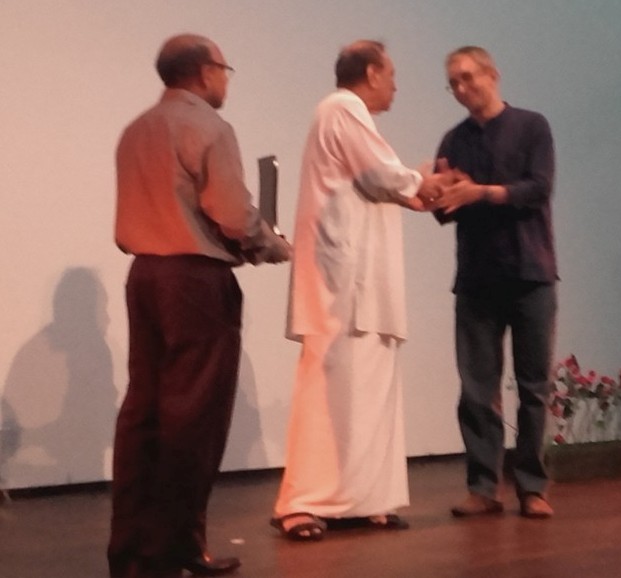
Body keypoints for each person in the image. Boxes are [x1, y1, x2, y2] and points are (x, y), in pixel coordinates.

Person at [109, 33, 291, 578]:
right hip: (193, 279)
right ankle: (171, 549)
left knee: (144, 413)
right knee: (193, 419)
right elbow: (233, 214)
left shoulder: (135, 129)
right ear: (205, 71)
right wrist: (271, 245)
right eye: (225, 69)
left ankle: (136, 551)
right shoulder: (208, 126)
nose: (227, 79)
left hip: (144, 275)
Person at [271, 39, 445, 541]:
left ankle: (367, 497)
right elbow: (380, 174)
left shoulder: (348, 116)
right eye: (390, 73)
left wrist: (417, 192)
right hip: (342, 285)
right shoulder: (342, 108)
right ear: (370, 73)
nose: (395, 84)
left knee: (367, 392)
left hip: (362, 284)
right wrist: (422, 181)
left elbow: (376, 185)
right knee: (328, 395)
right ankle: (302, 503)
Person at [431, 46, 558, 520]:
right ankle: (483, 487)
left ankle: (531, 487)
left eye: (467, 78)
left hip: (531, 273)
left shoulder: (532, 126)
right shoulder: (454, 139)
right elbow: (446, 214)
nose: (462, 89)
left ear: (492, 74)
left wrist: (480, 191)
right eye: (454, 83)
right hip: (478, 277)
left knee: (533, 388)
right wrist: (438, 194)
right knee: (476, 388)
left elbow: (539, 187)